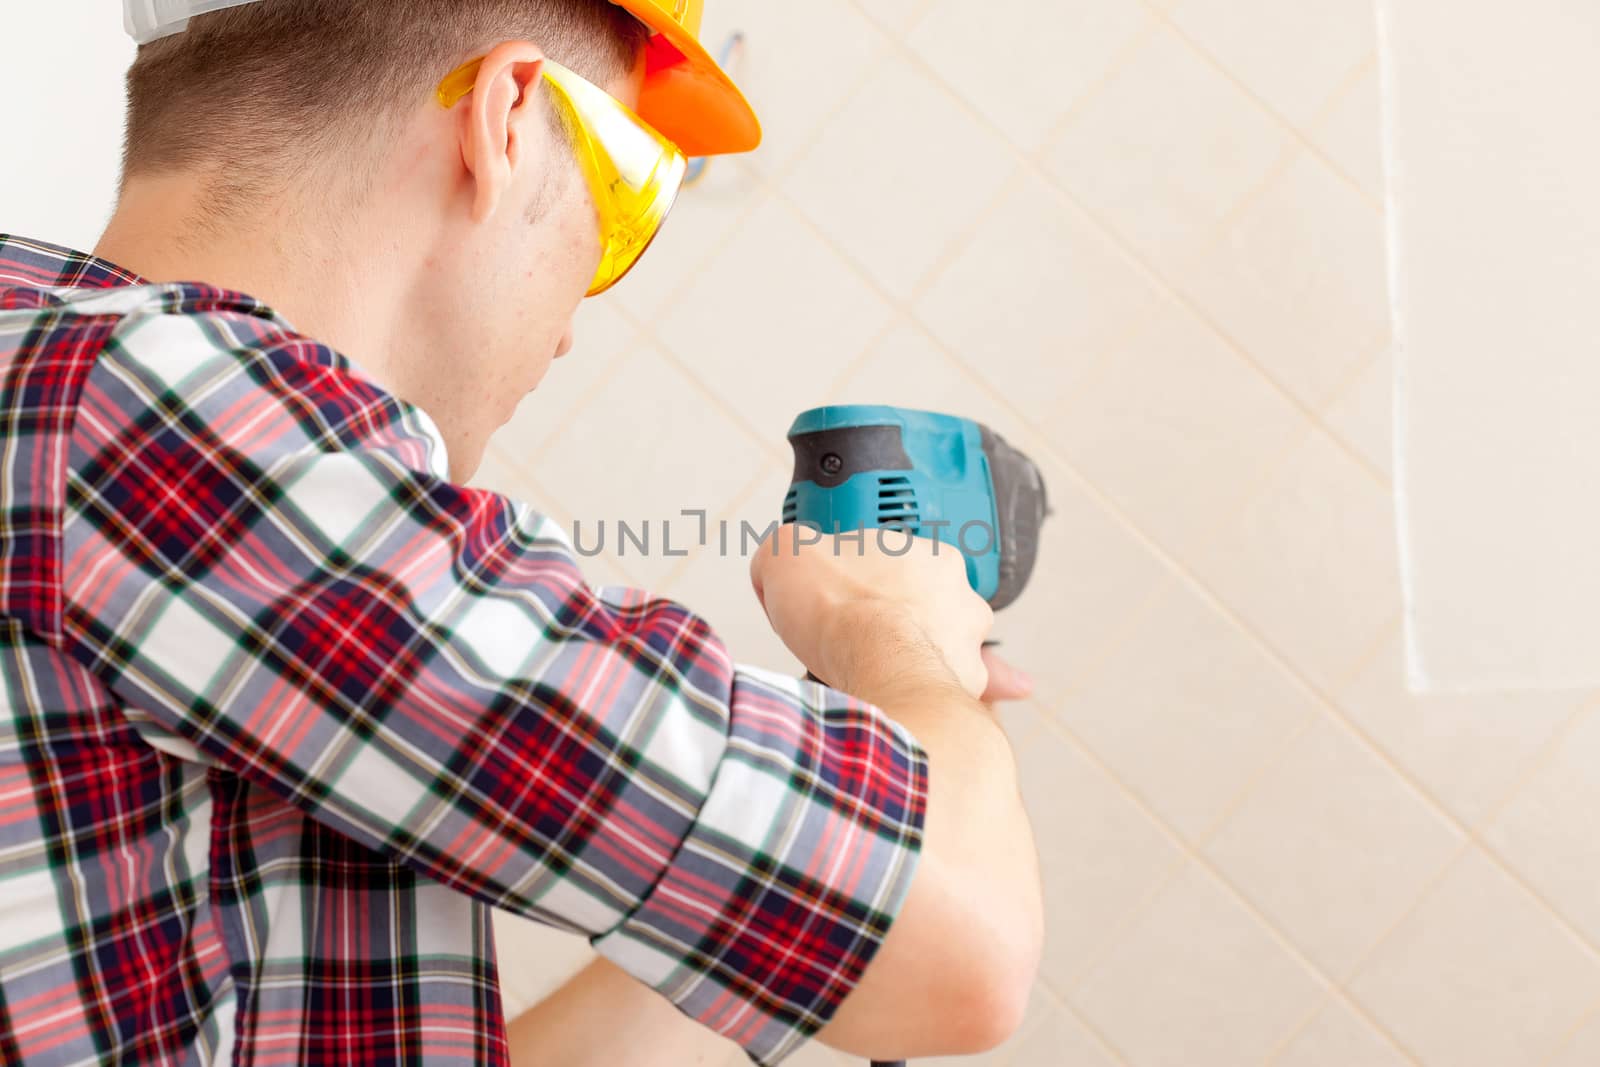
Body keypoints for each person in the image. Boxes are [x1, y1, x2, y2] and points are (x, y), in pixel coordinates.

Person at [0, 0, 1044, 1063]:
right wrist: (894, 630)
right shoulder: (172, 422)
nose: (571, 325)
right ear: (503, 117)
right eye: (633, 197)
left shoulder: (75, 404)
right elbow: (964, 943)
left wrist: (799, 830)